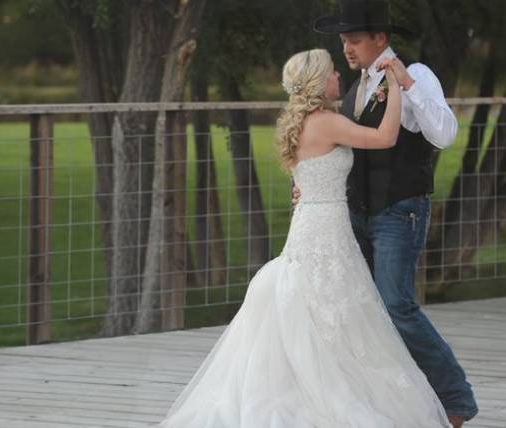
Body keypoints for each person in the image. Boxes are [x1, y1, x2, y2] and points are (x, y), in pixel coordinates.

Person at [160, 48, 452, 427]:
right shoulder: (325, 122)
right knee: (335, 309)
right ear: (318, 81)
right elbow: (385, 137)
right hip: (326, 227)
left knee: (324, 310)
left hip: (315, 220)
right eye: (332, 73)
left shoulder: (301, 122)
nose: (338, 78)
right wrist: (395, 84)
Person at [307, 0, 478, 427]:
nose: (347, 48)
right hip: (358, 213)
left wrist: (407, 85)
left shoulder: (415, 75)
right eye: (344, 41)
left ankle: (456, 400)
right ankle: (382, 399)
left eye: (356, 40)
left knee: (398, 305)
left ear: (380, 38)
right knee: (362, 307)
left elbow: (445, 134)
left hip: (400, 210)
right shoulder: (358, 85)